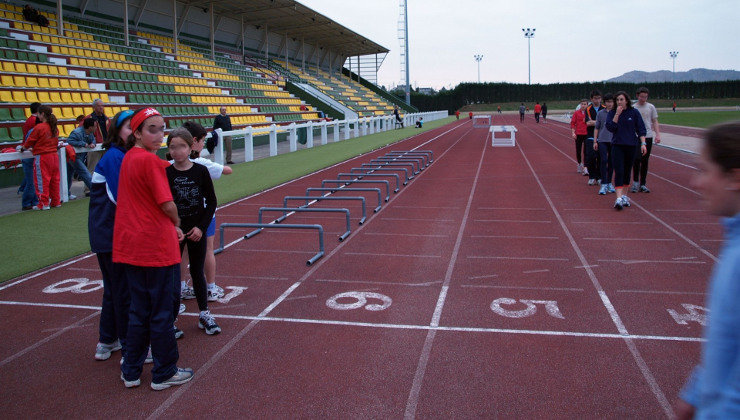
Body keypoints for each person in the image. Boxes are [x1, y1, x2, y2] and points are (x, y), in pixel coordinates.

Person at [113, 108, 193, 390]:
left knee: (138, 311)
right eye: (153, 129)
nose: (160, 135)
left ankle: (131, 370)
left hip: (131, 246)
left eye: (162, 129)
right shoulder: (148, 160)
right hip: (155, 247)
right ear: (136, 132)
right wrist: (177, 221)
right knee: (162, 312)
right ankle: (164, 372)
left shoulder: (129, 159)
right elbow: (166, 203)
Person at [675, 121, 740, 419]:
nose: (695, 182)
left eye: (704, 170)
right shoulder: (733, 243)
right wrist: (694, 395)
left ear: (734, 178)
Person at [90, 110, 136, 362]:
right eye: (129, 127)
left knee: (114, 289)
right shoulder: (116, 157)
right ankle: (131, 348)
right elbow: (125, 199)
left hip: (106, 234)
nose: (134, 132)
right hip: (112, 235)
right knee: (124, 291)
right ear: (116, 130)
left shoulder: (119, 155)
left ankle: (107, 340)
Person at [166, 128, 220, 335]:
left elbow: (212, 202)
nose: (177, 151)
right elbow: (162, 204)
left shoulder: (200, 171)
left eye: (182, 146)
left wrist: (201, 227)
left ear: (190, 148)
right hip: (175, 232)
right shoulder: (166, 173)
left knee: (197, 271)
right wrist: (173, 227)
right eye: (173, 147)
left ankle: (204, 313)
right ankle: (170, 319)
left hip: (197, 230)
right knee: (172, 274)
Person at [178, 122, 232, 302]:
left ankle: (181, 287)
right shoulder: (202, 163)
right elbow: (227, 170)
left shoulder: (173, 163)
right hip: (203, 215)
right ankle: (210, 287)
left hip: (182, 214)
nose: (203, 144)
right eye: (202, 141)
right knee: (208, 250)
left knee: (183, 252)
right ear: (194, 141)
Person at [605, 91, 647, 210]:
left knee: (628, 172)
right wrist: (617, 115)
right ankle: (618, 198)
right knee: (619, 171)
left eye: (621, 99)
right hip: (617, 145)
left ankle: (624, 196)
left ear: (627, 101)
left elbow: (641, 129)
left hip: (631, 146)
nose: (619, 102)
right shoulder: (612, 113)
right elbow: (611, 128)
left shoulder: (634, 112)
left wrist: (643, 143)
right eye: (617, 100)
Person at [20, 105, 60, 210]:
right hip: (54, 156)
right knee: (54, 180)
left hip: (43, 157)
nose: (37, 116)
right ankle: (55, 201)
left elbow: (30, 141)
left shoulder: (39, 127)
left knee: (42, 180)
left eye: (38, 114)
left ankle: (43, 203)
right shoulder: (54, 127)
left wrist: (24, 147)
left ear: (42, 114)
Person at [631, 87, 661, 193]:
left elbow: (654, 121)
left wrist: (657, 134)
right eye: (641, 96)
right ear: (637, 96)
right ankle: (635, 182)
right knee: (636, 159)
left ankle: (643, 183)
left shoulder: (650, 107)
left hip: (648, 136)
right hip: (636, 136)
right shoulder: (633, 108)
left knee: (645, 160)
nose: (643, 99)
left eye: (645, 97)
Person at [65, 118, 96, 199]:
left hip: (79, 156)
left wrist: (93, 143)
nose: (96, 128)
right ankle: (96, 191)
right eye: (95, 126)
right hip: (73, 156)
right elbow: (69, 141)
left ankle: (66, 193)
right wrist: (83, 144)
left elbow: (93, 139)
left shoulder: (90, 133)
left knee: (69, 174)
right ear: (90, 127)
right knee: (85, 173)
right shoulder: (76, 132)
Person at [594, 93, 616, 195]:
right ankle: (603, 183)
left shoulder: (616, 113)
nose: (609, 104)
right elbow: (597, 127)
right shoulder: (600, 113)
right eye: (607, 102)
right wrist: (595, 141)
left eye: (611, 101)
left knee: (612, 162)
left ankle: (609, 183)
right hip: (602, 140)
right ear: (605, 103)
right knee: (603, 160)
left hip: (613, 140)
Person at [84, 99, 110, 184]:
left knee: (106, 167)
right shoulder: (88, 119)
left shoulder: (106, 119)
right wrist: (90, 141)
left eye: (102, 105)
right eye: (99, 106)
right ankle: (89, 187)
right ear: (94, 107)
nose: (101, 107)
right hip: (94, 147)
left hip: (105, 146)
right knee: (92, 167)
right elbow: (83, 131)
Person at [19, 102, 40, 210]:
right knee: (31, 180)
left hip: (29, 151)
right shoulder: (33, 122)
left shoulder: (29, 120)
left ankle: (31, 200)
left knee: (31, 179)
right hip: (30, 153)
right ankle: (28, 202)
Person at [585, 90, 604, 185]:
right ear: (591, 99)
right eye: (595, 98)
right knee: (591, 157)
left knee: (601, 157)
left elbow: (606, 122)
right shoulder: (588, 109)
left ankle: (599, 176)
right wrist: (599, 122)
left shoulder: (604, 108)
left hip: (602, 137)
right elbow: (588, 123)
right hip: (590, 136)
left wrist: (594, 122)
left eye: (599, 98)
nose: (597, 100)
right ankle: (592, 176)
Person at [570, 99, 589, 175]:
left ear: (587, 105)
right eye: (582, 104)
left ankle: (585, 167)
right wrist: (573, 133)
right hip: (578, 134)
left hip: (587, 134)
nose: (583, 105)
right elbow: (573, 123)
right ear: (580, 105)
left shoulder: (589, 113)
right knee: (578, 150)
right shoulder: (576, 113)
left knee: (586, 151)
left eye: (585, 104)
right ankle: (579, 163)